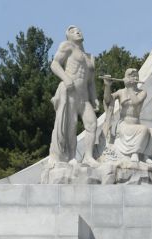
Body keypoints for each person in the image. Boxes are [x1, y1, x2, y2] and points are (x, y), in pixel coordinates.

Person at [48, 25, 99, 166]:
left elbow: (91, 81)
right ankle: (71, 156)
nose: (77, 32)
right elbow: (54, 64)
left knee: (92, 124)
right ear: (68, 36)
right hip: (70, 93)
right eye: (72, 31)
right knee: (72, 125)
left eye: (79, 30)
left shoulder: (90, 57)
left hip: (84, 97)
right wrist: (65, 78)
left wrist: (94, 97)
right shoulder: (67, 46)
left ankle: (88, 157)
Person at [103, 68, 152, 162]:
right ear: (127, 77)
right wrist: (107, 86)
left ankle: (146, 156)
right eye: (133, 76)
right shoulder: (121, 92)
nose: (135, 78)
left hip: (136, 124)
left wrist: (130, 88)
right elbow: (107, 100)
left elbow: (136, 102)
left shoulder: (142, 92)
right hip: (124, 124)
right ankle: (134, 153)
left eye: (137, 76)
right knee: (143, 129)